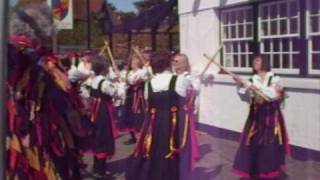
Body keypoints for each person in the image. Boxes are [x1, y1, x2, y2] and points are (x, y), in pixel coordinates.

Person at [7, 2, 85, 179]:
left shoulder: (40, 59)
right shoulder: (31, 57)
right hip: (32, 127)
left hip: (32, 127)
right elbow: (65, 100)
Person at [126, 51, 197, 180]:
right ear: (168, 64)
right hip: (173, 123)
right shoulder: (180, 80)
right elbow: (188, 98)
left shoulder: (149, 84)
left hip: (153, 123)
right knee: (171, 150)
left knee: (154, 149)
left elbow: (148, 101)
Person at [232, 54, 290, 179]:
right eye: (254, 60)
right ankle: (256, 171)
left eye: (257, 60)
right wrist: (241, 85)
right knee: (253, 143)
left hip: (271, 117)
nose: (254, 62)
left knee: (271, 144)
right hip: (256, 118)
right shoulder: (251, 79)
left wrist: (254, 87)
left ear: (265, 62)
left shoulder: (275, 78)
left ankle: (270, 172)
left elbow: (273, 95)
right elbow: (245, 98)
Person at [79, 55, 125, 178]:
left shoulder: (92, 80)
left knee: (97, 136)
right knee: (104, 136)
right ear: (105, 68)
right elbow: (117, 94)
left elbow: (85, 93)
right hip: (103, 111)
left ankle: (97, 168)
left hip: (95, 110)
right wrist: (120, 85)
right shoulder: (104, 82)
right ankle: (100, 171)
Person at [120, 54, 151, 144]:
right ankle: (133, 136)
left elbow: (140, 80)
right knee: (129, 115)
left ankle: (142, 136)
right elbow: (127, 82)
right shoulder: (128, 73)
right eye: (132, 62)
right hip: (130, 96)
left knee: (139, 115)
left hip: (139, 96)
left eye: (134, 62)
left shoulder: (142, 72)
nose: (132, 64)